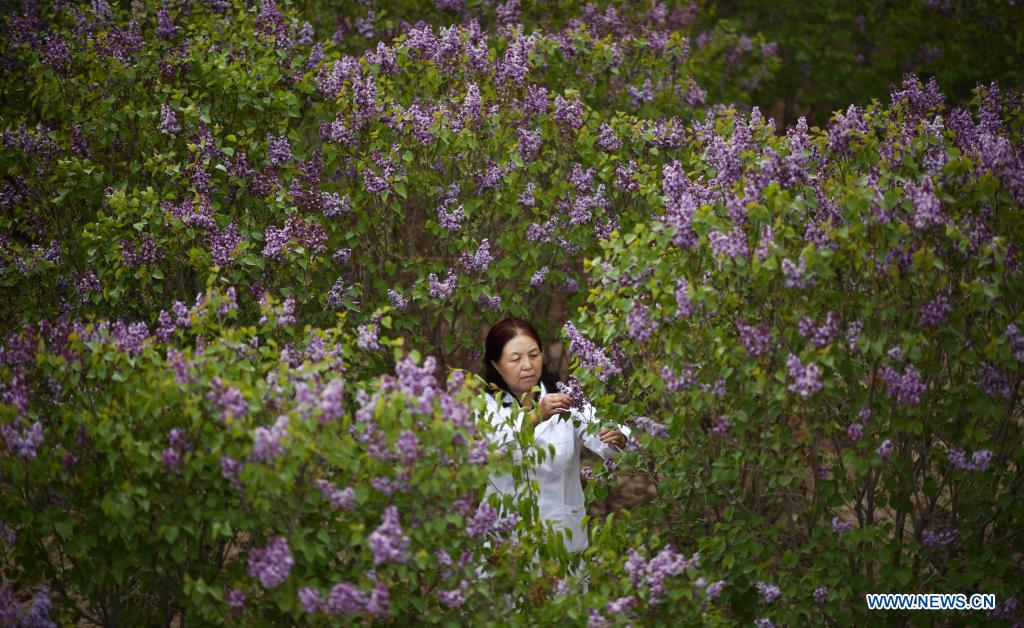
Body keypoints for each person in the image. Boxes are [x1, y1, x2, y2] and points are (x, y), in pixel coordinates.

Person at [477, 316, 629, 554]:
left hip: (561, 532)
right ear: (496, 364)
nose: (528, 365)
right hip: (506, 536)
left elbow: (601, 437)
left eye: (534, 355)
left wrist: (617, 438)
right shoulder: (484, 406)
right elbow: (491, 452)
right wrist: (535, 416)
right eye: (515, 359)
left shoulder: (564, 397)